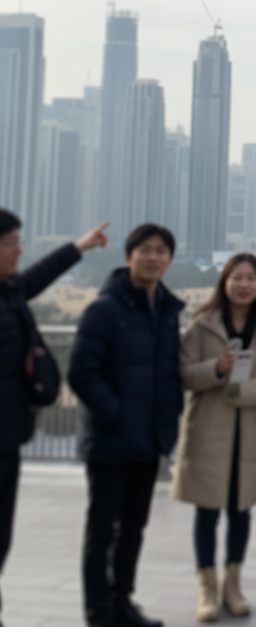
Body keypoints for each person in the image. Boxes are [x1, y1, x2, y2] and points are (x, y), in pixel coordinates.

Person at [68, 224, 184, 627]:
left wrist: (167, 417)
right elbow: (82, 373)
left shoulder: (167, 310)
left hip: (149, 440)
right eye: (144, 250)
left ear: (169, 259)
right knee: (102, 532)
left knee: (133, 529)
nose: (153, 257)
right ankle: (99, 613)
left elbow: (170, 373)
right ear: (127, 257)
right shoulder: (104, 310)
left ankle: (122, 604)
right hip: (110, 441)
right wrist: (116, 414)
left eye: (161, 251)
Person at [0, 208, 108, 626]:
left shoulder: (8, 291)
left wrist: (78, 248)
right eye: (11, 242)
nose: (19, 250)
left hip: (9, 437)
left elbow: (36, 277)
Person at [172, 253, 256, 621]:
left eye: (251, 278)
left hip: (249, 430)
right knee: (206, 514)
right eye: (237, 277)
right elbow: (186, 374)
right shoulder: (201, 323)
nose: (243, 284)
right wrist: (217, 369)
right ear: (224, 282)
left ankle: (232, 585)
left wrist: (240, 392)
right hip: (208, 430)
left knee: (241, 512)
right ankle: (207, 589)